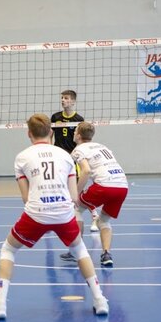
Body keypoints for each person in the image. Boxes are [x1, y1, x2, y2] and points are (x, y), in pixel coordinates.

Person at [0, 113, 108, 319]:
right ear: (51, 132)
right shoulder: (65, 155)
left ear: (29, 134)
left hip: (37, 212)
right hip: (63, 212)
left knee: (8, 249)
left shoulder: (22, 157)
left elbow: (26, 198)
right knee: (80, 250)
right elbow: (74, 196)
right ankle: (99, 300)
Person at [69, 122, 128, 267]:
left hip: (104, 185)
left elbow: (86, 171)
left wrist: (76, 193)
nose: (73, 133)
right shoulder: (102, 146)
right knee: (104, 221)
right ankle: (106, 254)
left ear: (78, 135)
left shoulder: (78, 150)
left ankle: (77, 252)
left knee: (76, 209)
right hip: (122, 186)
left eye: (75, 131)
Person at [51, 90, 99, 234]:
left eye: (66, 98)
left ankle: (94, 215)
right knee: (58, 186)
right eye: (62, 98)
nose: (63, 100)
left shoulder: (79, 119)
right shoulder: (55, 117)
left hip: (73, 159)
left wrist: (80, 155)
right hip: (58, 158)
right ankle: (55, 218)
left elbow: (82, 141)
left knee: (76, 190)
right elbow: (50, 136)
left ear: (73, 101)